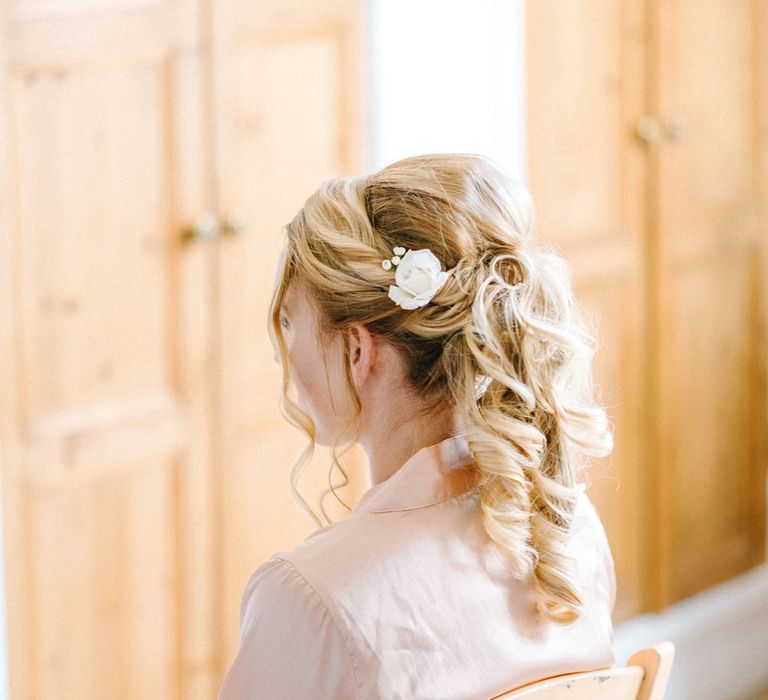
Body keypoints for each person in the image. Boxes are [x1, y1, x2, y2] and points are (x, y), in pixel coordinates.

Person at [217, 153, 617, 699]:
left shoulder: (310, 599)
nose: (286, 352)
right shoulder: (565, 529)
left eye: (292, 321)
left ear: (358, 350)